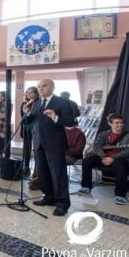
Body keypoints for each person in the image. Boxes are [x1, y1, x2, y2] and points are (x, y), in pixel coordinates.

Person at [30, 79, 75, 216]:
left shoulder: (62, 102)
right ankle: (48, 197)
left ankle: (62, 203)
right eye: (39, 86)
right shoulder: (37, 103)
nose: (40, 89)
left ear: (52, 87)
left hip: (55, 144)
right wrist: (27, 112)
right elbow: (32, 120)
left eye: (44, 86)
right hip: (39, 142)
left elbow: (70, 121)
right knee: (43, 173)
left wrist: (56, 117)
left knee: (58, 174)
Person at [77, 113, 129, 205]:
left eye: (121, 123)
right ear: (110, 123)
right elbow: (96, 146)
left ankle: (120, 195)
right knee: (86, 161)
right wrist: (103, 156)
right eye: (117, 123)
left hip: (118, 158)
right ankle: (86, 186)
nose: (120, 125)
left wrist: (113, 158)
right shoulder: (103, 134)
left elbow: (128, 151)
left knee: (122, 167)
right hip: (103, 157)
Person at [20, 86, 39, 177]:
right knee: (26, 149)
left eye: (31, 92)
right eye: (27, 92)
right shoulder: (24, 103)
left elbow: (37, 115)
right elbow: (22, 116)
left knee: (36, 149)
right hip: (26, 128)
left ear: (36, 93)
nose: (29, 94)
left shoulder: (39, 103)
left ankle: (37, 169)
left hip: (36, 128)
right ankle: (26, 167)